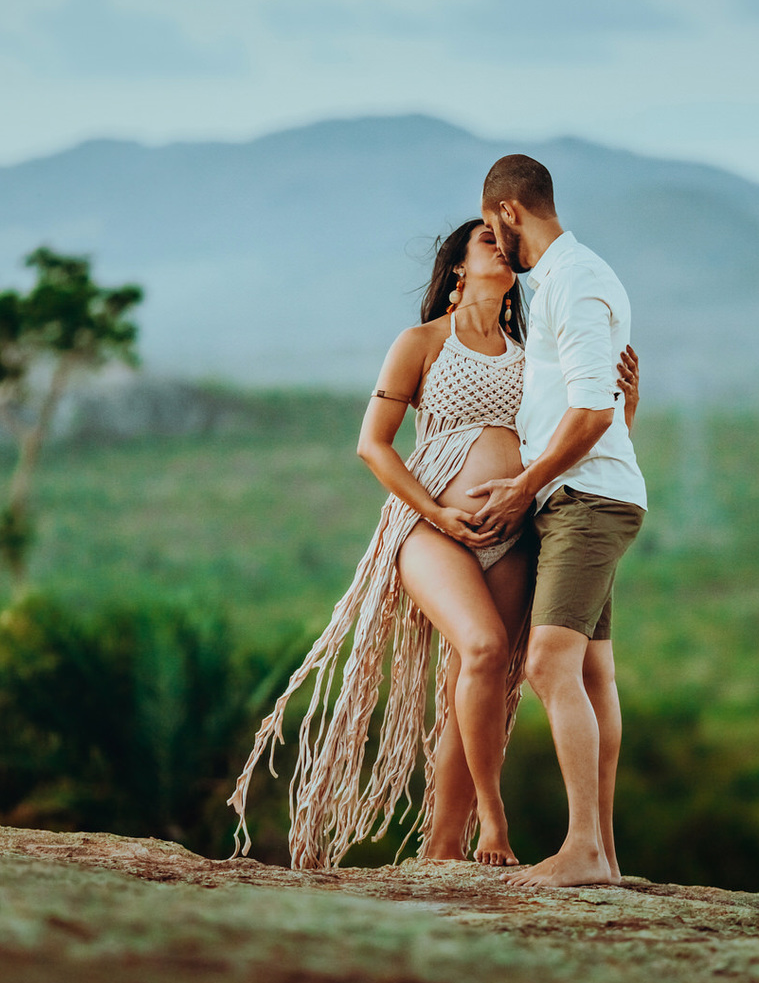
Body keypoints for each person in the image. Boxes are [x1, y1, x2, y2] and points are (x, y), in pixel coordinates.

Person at [228, 217, 638, 872]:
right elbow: (373, 445)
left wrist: (625, 408)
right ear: (456, 267)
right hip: (429, 527)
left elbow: (577, 437)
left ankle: (443, 846)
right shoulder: (420, 342)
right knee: (481, 646)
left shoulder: (534, 354)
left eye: (506, 245)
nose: (500, 250)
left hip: (510, 530)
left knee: (485, 676)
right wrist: (440, 516)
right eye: (486, 242)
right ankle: (493, 818)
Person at [472, 154, 647, 888]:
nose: (491, 239)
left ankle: (580, 849)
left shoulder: (572, 285)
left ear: (509, 212)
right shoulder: (570, 279)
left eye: (489, 226)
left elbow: (592, 412)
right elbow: (600, 405)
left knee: (547, 664)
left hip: (583, 501)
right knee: (594, 672)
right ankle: (602, 852)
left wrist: (520, 489)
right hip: (585, 494)